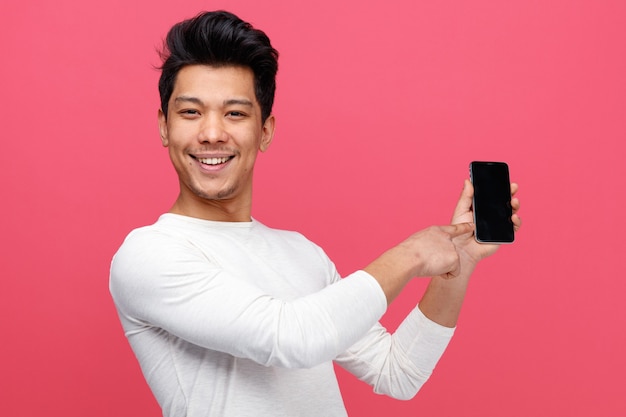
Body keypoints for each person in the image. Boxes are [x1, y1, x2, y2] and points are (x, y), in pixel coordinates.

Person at [109, 10, 521, 417]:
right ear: (164, 126)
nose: (212, 133)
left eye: (235, 113)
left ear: (265, 130)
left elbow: (398, 372)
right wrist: (412, 254)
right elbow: (292, 338)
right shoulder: (149, 255)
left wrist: (458, 266)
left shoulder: (301, 253)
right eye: (191, 112)